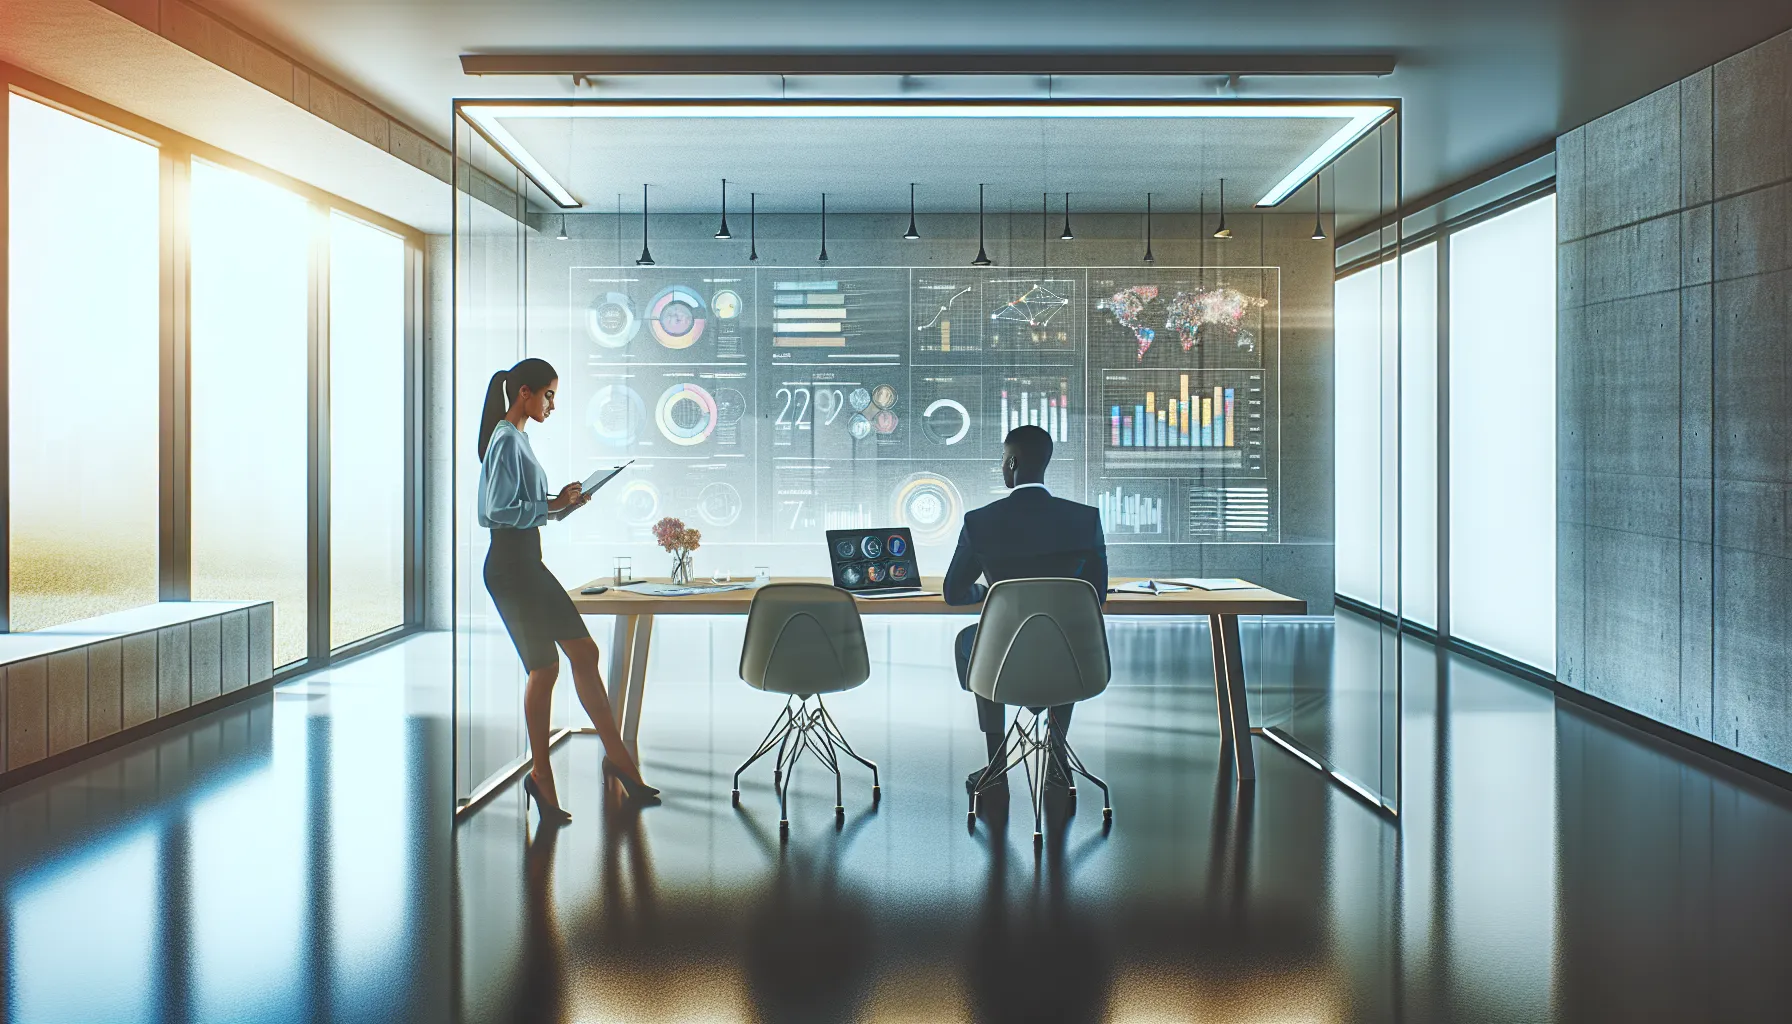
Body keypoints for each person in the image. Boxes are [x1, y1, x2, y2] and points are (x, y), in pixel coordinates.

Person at [478, 357, 659, 821]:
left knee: (582, 652)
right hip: (511, 567)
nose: (552, 405)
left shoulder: (517, 439)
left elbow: (526, 506)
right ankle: (543, 775)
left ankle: (617, 758)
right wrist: (552, 503)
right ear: (525, 393)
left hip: (525, 563)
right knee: (545, 669)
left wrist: (564, 505)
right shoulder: (505, 439)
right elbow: (495, 511)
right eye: (549, 395)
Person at [943, 424, 1108, 796]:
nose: (1002, 465)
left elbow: (953, 592)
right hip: (1066, 655)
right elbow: (1095, 595)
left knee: (973, 642)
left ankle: (996, 765)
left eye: (1003, 459)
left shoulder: (980, 522)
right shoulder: (1085, 520)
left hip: (1002, 654)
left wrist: (987, 592)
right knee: (1068, 638)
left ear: (1013, 463)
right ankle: (1058, 763)